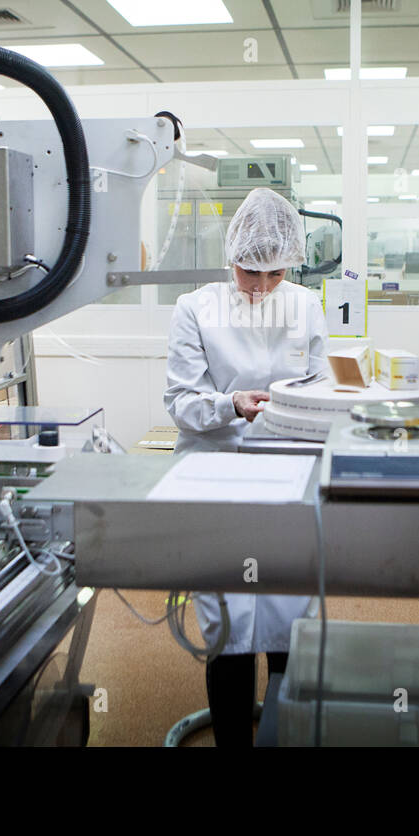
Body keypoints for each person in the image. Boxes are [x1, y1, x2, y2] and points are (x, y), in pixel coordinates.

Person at [164, 187, 328, 746]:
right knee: (228, 625)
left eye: (274, 275)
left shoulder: (306, 305)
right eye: (248, 273)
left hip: (289, 472)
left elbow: (324, 386)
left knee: (287, 615)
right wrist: (230, 404)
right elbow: (181, 402)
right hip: (217, 471)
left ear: (292, 264)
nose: (260, 288)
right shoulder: (195, 309)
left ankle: (282, 731)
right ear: (230, 257)